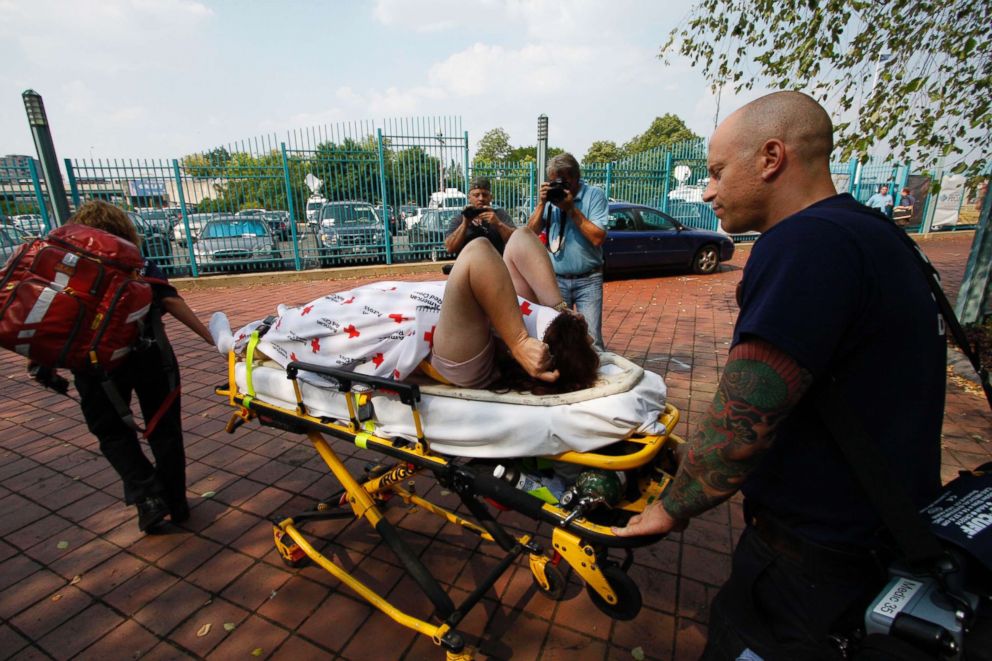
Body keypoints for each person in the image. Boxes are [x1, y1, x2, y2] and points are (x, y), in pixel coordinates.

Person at [613, 91, 945, 659]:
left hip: (811, 562)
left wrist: (668, 508)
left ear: (771, 158)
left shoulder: (802, 243)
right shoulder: (876, 232)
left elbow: (743, 425)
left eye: (717, 171)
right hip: (884, 534)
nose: (708, 190)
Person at [211, 228, 600, 395]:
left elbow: (479, 252)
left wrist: (517, 341)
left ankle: (240, 344)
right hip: (395, 299)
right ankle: (266, 331)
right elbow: (519, 240)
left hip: (385, 322)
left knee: (309, 327)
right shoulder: (537, 318)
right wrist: (560, 309)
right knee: (327, 308)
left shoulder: (472, 357)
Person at [55, 201, 215, 533]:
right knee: (165, 430)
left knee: (112, 433)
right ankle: (176, 502)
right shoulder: (138, 263)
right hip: (151, 356)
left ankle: (147, 495)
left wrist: (39, 361)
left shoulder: (69, 269)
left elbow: (49, 319)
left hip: (93, 365)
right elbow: (169, 299)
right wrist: (210, 338)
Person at [527, 153, 608, 351]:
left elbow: (598, 237)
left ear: (576, 175)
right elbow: (529, 233)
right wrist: (541, 203)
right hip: (556, 280)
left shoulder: (594, 195)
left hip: (588, 280)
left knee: (592, 338)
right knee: (555, 335)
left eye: (565, 180)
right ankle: (566, 375)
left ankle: (598, 374)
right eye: (555, 181)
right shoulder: (550, 201)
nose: (561, 186)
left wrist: (571, 209)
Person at [444, 176, 516, 256]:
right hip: (470, 265)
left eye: (485, 195)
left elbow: (515, 241)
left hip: (495, 264)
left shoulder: (499, 215)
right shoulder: (460, 219)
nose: (481, 198)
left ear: (490, 198)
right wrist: (465, 224)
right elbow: (450, 248)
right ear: (469, 198)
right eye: (476, 195)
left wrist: (498, 224)